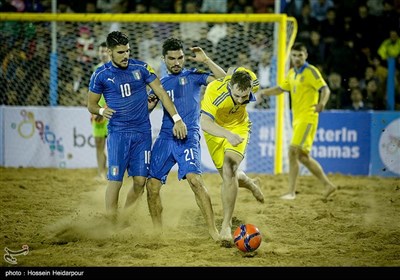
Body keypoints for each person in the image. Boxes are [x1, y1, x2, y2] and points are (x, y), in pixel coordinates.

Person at [87, 31, 187, 219]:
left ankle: (124, 219)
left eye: (128, 51)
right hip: (118, 132)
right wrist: (101, 111)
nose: (125, 56)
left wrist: (177, 119)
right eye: (120, 52)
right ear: (109, 52)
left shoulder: (141, 68)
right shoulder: (100, 75)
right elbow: (90, 105)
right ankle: (110, 223)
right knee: (115, 181)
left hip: (142, 132)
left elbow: (162, 94)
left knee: (141, 181)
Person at [146, 38, 226, 241]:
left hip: (188, 137)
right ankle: (157, 232)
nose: (176, 62)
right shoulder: (159, 84)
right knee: (152, 186)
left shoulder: (194, 76)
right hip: (165, 137)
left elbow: (225, 81)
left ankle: (213, 232)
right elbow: (146, 109)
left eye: (180, 57)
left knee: (196, 181)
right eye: (171, 58)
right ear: (164, 59)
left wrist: (206, 60)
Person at [259, 42, 336, 201]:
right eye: (294, 55)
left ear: (306, 55)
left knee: (292, 151)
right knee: (302, 157)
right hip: (297, 119)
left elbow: (325, 89)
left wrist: (322, 103)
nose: (297, 58)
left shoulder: (311, 71)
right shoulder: (292, 73)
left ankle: (291, 192)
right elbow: (281, 89)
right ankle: (328, 185)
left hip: (308, 117)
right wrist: (264, 92)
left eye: (300, 55)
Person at [200, 67, 265, 243]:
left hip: (239, 128)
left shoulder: (253, 81)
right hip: (215, 131)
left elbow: (231, 70)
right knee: (229, 176)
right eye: (236, 96)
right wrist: (226, 134)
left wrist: (207, 60)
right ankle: (251, 184)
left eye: (245, 97)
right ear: (230, 85)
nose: (239, 100)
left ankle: (226, 225)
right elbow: (204, 122)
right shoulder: (214, 90)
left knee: (229, 170)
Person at [91, 41, 109, 181]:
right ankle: (101, 173)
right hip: (98, 113)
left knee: (116, 145)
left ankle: (119, 173)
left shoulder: (116, 69)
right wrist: (96, 111)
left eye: (105, 51)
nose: (103, 54)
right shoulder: (96, 70)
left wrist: (104, 110)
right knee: (99, 143)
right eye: (100, 51)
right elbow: (92, 94)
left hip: (112, 113)